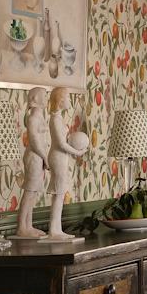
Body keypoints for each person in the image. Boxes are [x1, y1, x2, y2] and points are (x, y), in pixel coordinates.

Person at [45, 87, 88, 241]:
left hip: (61, 158)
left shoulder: (58, 118)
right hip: (57, 157)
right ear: (61, 100)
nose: (70, 100)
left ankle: (56, 229)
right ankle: (54, 231)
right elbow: (61, 144)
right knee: (58, 193)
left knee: (60, 194)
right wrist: (77, 153)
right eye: (68, 97)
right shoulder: (55, 119)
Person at [16, 88, 49, 239]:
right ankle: (22, 227)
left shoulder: (39, 116)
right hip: (34, 156)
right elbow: (35, 142)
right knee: (29, 191)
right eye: (44, 96)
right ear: (35, 99)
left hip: (39, 156)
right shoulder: (33, 118)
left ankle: (28, 226)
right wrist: (45, 157)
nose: (47, 98)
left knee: (33, 192)